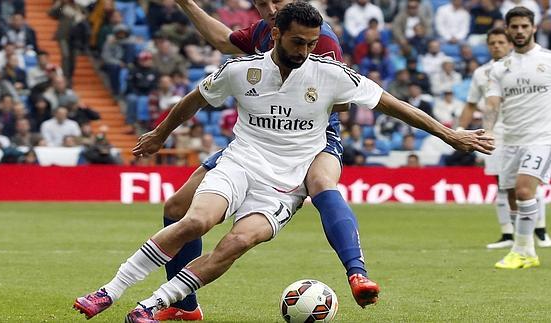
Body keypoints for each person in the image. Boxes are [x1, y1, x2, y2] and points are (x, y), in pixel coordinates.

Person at [73, 3, 494, 322]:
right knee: (192, 222)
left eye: (313, 43)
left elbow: (393, 105)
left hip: (286, 182)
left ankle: (153, 306)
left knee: (237, 243)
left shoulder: (329, 72)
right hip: (240, 162)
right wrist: (162, 133)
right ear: (274, 34)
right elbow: (196, 99)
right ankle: (109, 291)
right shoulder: (241, 70)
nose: (307, 50)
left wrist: (449, 133)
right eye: (299, 43)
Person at [155, 0, 373, 320]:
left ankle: (357, 273)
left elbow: (341, 106)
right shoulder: (264, 29)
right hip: (260, 138)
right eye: (263, 2)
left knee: (321, 183)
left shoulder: (316, 37)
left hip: (315, 136)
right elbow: (223, 41)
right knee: (176, 208)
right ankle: (184, 307)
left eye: (277, 0)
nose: (270, 6)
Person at [483, 7, 551, 269]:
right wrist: (488, 131)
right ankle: (529, 250)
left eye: (525, 26)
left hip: (542, 138)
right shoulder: (500, 68)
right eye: (515, 27)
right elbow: (492, 104)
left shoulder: (547, 60)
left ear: (533, 28)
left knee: (524, 190)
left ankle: (520, 250)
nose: (520, 31)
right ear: (508, 29)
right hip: (510, 140)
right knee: (513, 195)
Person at [459, 27, 518, 249]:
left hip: (521, 132)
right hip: (493, 133)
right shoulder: (481, 73)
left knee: (523, 184)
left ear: (510, 44)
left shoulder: (520, 68)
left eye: (501, 42)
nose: (497, 46)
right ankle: (507, 234)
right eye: (492, 42)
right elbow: (471, 103)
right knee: (501, 184)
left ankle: (539, 231)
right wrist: (459, 129)